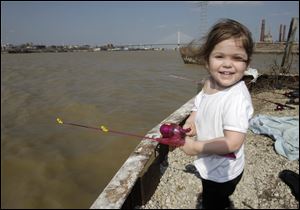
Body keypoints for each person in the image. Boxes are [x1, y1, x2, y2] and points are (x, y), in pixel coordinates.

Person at [180, 18, 254, 209]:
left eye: (237, 58)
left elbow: (233, 142)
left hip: (223, 172)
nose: (228, 64)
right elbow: (199, 105)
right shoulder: (209, 83)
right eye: (220, 56)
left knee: (215, 201)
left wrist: (195, 147)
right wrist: (192, 121)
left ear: (247, 63)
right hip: (208, 162)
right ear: (207, 60)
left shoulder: (235, 98)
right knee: (208, 192)